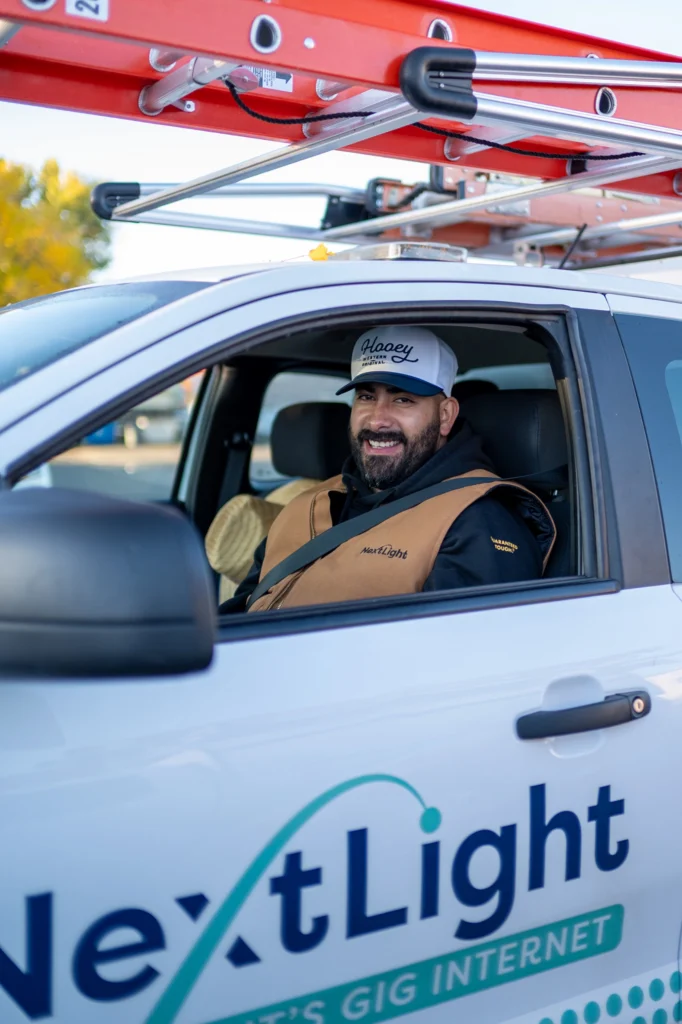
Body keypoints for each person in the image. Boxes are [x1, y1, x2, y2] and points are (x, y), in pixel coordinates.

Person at [221, 326, 556, 614]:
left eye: (403, 400)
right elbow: (241, 612)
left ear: (445, 416)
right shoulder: (309, 501)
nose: (377, 419)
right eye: (366, 397)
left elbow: (454, 670)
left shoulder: (477, 523)